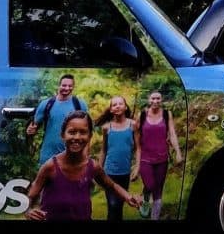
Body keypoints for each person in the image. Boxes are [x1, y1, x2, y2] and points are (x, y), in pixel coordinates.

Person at [27, 112, 133, 221]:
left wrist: (128, 196)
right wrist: (29, 210)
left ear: (90, 136)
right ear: (63, 135)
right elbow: (31, 196)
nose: (77, 137)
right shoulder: (50, 167)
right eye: (72, 132)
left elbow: (111, 185)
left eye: (83, 132)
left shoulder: (93, 166)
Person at [136, 90, 181, 218]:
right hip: (146, 158)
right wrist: (136, 159)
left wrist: (178, 152)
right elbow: (136, 137)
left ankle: (155, 218)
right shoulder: (142, 115)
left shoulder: (167, 114)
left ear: (162, 100)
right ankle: (145, 198)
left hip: (162, 159)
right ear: (148, 100)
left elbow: (172, 133)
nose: (155, 101)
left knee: (158, 189)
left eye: (158, 98)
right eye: (153, 98)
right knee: (150, 185)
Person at [28, 75, 87, 169]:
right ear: (59, 85)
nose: (67, 88)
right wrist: (31, 130)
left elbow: (87, 132)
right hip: (48, 156)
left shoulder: (79, 105)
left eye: (70, 86)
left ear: (73, 87)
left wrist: (84, 155)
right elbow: (34, 127)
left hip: (72, 157)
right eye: (64, 85)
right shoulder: (46, 104)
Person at [95, 96, 138, 222]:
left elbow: (138, 148)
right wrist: (98, 169)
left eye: (120, 104)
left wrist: (137, 166)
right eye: (114, 105)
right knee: (112, 205)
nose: (117, 106)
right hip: (109, 172)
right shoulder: (106, 127)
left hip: (125, 172)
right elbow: (104, 150)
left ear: (125, 107)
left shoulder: (133, 125)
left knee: (119, 205)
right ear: (111, 110)